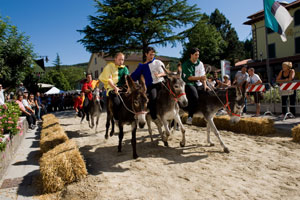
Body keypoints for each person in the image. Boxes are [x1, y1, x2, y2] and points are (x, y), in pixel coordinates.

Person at [131, 47, 166, 124]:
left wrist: (159, 75)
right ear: (146, 54)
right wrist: (127, 77)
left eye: (153, 54)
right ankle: (154, 117)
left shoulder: (158, 62)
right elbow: (134, 76)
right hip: (151, 86)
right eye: (150, 54)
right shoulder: (142, 66)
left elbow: (165, 73)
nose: (152, 56)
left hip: (162, 83)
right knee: (152, 99)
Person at [181, 47, 208, 125]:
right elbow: (189, 78)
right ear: (191, 55)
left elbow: (203, 76)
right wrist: (200, 78)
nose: (197, 56)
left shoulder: (200, 63)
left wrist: (205, 85)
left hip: (199, 83)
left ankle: (205, 113)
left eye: (198, 55)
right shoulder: (186, 64)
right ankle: (190, 116)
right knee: (194, 96)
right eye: (196, 55)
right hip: (188, 83)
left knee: (208, 93)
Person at [99, 52, 129, 121]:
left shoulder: (125, 68)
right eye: (120, 59)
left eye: (122, 60)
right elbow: (109, 80)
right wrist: (115, 87)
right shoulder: (109, 67)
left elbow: (127, 78)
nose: (121, 61)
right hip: (112, 87)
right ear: (115, 59)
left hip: (123, 88)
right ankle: (116, 118)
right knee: (117, 102)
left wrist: (128, 87)